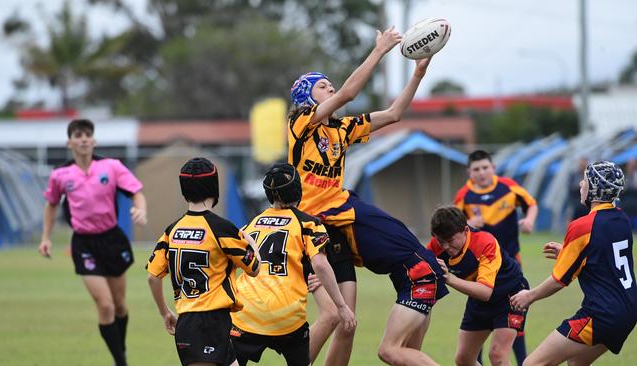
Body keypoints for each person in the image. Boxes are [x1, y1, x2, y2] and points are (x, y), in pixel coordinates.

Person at [288, 26, 447, 365]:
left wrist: (417, 75)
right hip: (314, 226)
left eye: (329, 82)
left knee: (348, 323)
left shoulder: (341, 129)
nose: (329, 86)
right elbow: (346, 93)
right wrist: (379, 51)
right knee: (331, 315)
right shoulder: (302, 124)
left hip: (338, 220)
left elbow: (393, 114)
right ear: (306, 97)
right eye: (321, 85)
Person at [38, 119, 147, 366]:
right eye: (78, 135)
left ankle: (122, 350)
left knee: (119, 306)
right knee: (105, 305)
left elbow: (137, 193)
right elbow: (51, 205)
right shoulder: (60, 175)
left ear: (94, 140)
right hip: (84, 244)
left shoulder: (111, 167)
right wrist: (45, 238)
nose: (84, 139)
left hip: (112, 240)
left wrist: (140, 210)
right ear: (70, 142)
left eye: (88, 134)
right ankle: (120, 361)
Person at [511, 161, 637, 366]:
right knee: (576, 363)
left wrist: (529, 296)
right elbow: (603, 256)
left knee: (531, 364)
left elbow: (559, 280)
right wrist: (568, 253)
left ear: (595, 189)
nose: (580, 184)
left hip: (601, 315)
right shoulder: (621, 218)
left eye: (585, 181)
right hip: (628, 310)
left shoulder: (582, 226)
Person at [230, 163, 356, 366]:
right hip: (286, 317)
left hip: (246, 313)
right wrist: (342, 306)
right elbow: (321, 265)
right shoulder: (309, 224)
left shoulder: (251, 224)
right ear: (298, 190)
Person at [146, 157, 260, 366]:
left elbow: (153, 277)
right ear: (213, 188)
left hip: (192, 322)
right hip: (209, 322)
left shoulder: (172, 231)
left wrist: (165, 313)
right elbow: (254, 268)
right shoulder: (223, 229)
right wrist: (251, 242)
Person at [453, 149, 537, 365]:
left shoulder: (508, 186)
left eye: (485, 167)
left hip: (510, 267)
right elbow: (453, 228)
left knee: (513, 316)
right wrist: (470, 223)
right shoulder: (464, 196)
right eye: (476, 169)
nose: (481, 172)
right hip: (480, 269)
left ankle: (523, 360)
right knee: (478, 322)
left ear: (493, 168)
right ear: (469, 172)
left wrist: (529, 220)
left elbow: (531, 204)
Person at [427, 206, 529, 366]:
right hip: (479, 301)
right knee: (463, 359)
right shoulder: (436, 245)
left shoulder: (484, 242)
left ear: (465, 230)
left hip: (511, 296)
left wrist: (450, 278)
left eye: (451, 240)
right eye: (441, 241)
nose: (445, 247)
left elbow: (485, 292)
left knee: (497, 355)